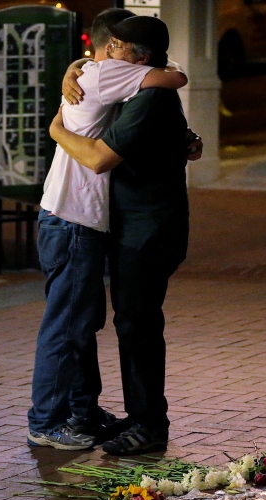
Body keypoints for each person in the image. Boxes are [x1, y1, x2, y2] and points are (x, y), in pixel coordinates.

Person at [27, 9, 188, 451]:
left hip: (134, 229)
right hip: (85, 220)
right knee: (79, 322)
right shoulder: (113, 80)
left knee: (115, 322)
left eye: (119, 46)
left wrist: (56, 128)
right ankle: (62, 417)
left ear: (137, 58)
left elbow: (102, 156)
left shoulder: (140, 91)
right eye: (110, 45)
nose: (108, 51)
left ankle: (132, 420)